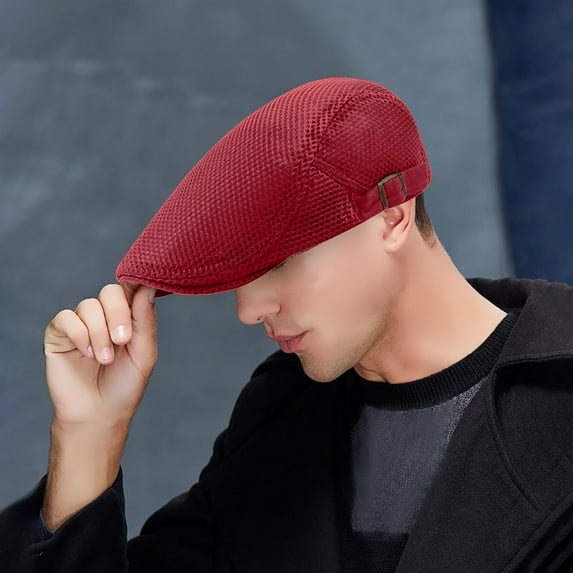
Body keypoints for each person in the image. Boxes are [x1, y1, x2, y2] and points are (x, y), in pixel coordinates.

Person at [1, 77, 572, 572]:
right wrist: (89, 436)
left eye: (278, 261)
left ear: (392, 216)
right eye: (239, 274)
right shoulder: (278, 418)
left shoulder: (559, 402)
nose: (248, 309)